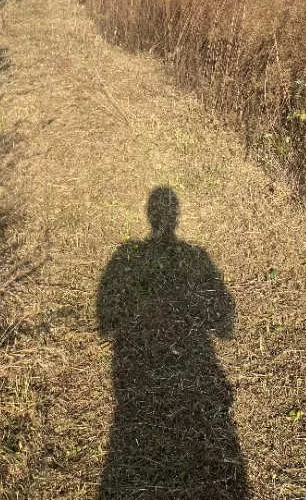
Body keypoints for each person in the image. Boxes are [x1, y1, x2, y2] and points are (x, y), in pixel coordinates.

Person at [96, 187, 249, 499]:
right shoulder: (196, 256)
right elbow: (223, 319)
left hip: (132, 383)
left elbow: (106, 318)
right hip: (192, 371)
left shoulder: (128, 255)